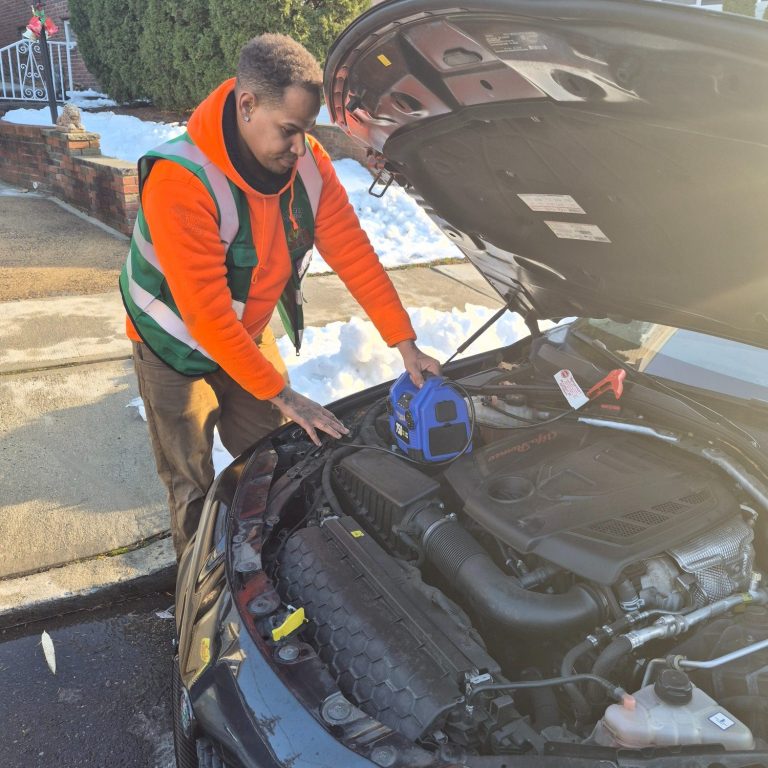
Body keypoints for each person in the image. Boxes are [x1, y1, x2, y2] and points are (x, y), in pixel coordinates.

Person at [120, 33, 440, 558]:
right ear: (248, 106)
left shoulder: (306, 163)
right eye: (289, 130)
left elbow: (354, 254)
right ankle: (197, 596)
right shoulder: (182, 179)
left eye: (307, 130)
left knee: (269, 460)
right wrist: (287, 396)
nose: (300, 148)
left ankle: (266, 564)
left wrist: (405, 343)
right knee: (192, 483)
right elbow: (205, 316)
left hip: (241, 333)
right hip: (172, 345)